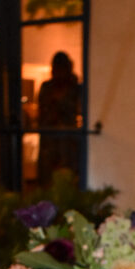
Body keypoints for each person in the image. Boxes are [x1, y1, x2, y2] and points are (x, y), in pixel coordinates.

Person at [37, 51, 82, 187]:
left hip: (68, 141)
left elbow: (78, 109)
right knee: (48, 179)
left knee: (67, 178)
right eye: (55, 68)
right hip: (49, 140)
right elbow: (42, 111)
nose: (57, 72)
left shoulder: (75, 88)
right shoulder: (47, 87)